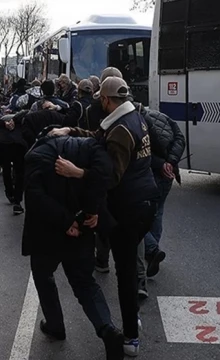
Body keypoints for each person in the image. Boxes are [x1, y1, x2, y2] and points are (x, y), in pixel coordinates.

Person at [49, 76, 159, 357]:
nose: (100, 103)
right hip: (145, 200)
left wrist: (77, 173)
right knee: (129, 265)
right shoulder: (133, 117)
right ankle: (132, 319)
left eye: (102, 99)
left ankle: (131, 338)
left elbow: (109, 178)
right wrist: (69, 130)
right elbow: (97, 138)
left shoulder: (121, 128)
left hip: (130, 206)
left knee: (125, 273)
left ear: (107, 100)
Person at [23, 129, 125, 360]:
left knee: (44, 276)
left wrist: (66, 221)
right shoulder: (92, 148)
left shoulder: (37, 154)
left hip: (47, 231)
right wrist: (92, 210)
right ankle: (107, 328)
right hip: (83, 226)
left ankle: (55, 324)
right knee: (85, 283)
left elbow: (34, 196)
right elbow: (103, 176)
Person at [140, 105, 186, 279]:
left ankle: (152, 251)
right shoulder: (163, 116)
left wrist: (161, 164)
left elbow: (142, 152)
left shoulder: (137, 123)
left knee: (138, 215)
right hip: (168, 174)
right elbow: (180, 138)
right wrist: (171, 162)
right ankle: (153, 253)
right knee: (158, 212)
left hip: (152, 174)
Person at [0, 101, 29, 215]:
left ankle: (9, 192)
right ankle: (17, 200)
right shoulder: (23, 118)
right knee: (19, 172)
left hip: (4, 144)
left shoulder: (3, 118)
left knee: (6, 170)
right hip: (17, 145)